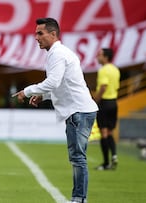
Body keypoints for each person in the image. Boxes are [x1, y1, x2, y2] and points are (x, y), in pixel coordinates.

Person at [12, 18, 98, 203]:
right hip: (80, 109)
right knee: (77, 157)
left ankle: (79, 199)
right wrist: (44, 96)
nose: (36, 37)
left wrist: (27, 91)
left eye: (40, 33)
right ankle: (78, 198)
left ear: (53, 34)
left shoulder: (57, 54)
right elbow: (65, 85)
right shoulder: (59, 52)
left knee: (78, 158)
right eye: (36, 33)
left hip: (79, 111)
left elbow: (54, 82)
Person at [94, 48, 120, 170]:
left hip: (104, 102)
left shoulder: (103, 70)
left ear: (106, 57)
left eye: (99, 55)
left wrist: (96, 100)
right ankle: (114, 155)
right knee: (109, 132)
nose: (97, 57)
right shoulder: (115, 69)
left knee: (103, 132)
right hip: (114, 102)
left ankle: (105, 163)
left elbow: (103, 87)